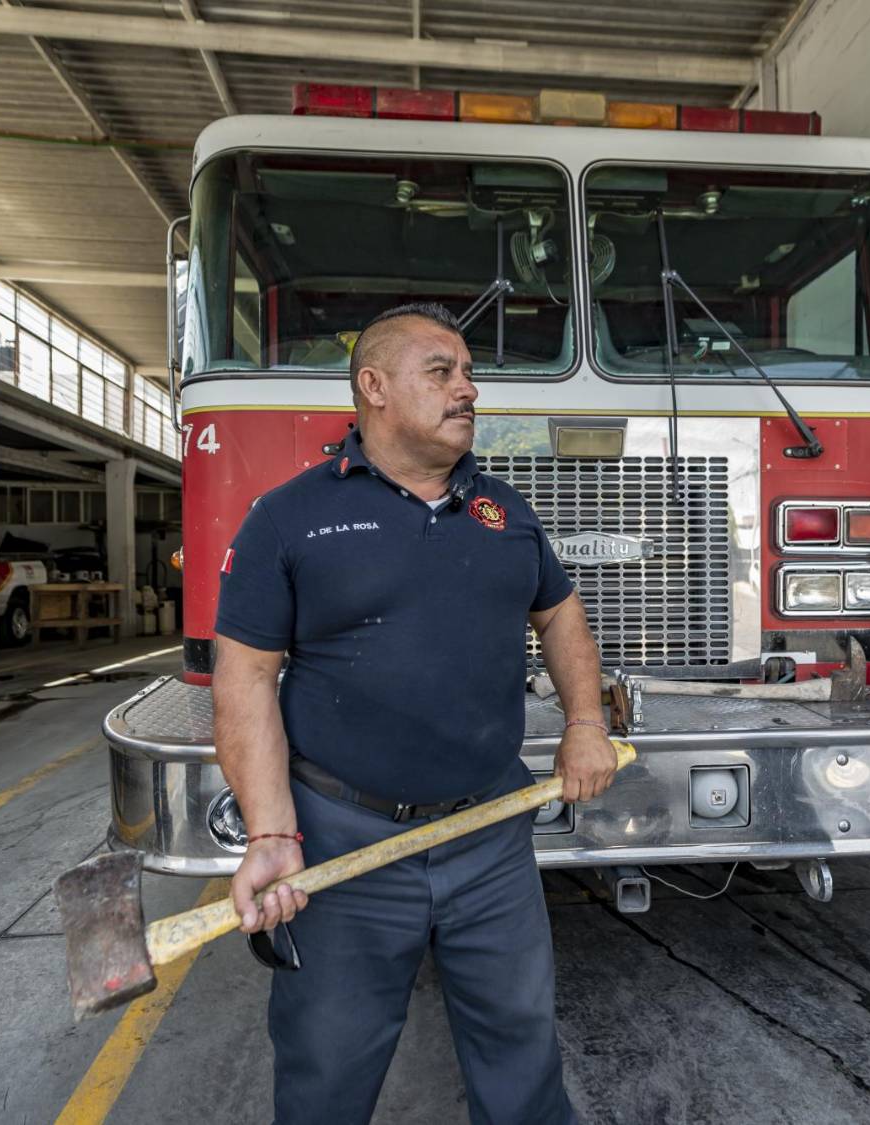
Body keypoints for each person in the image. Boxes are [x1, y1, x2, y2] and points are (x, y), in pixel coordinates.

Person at [212, 301, 616, 1124]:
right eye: (441, 372)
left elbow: (560, 614)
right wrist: (271, 832)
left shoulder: (504, 511)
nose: (467, 389)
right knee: (327, 1066)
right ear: (374, 387)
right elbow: (244, 678)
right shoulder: (287, 518)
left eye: (468, 374)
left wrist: (584, 723)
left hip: (490, 833)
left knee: (522, 1053)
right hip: (345, 845)